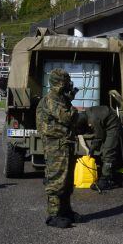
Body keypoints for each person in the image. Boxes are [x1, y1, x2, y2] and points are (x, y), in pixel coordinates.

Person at [39, 68, 80, 228]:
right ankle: (53, 215)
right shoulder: (52, 99)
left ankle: (65, 211)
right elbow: (68, 117)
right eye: (66, 82)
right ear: (59, 83)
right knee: (56, 180)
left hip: (65, 143)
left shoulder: (61, 98)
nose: (68, 85)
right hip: (55, 145)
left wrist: (68, 100)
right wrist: (73, 109)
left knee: (68, 181)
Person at [82, 104, 122, 190]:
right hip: (105, 123)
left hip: (113, 125)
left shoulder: (93, 119)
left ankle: (105, 180)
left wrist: (93, 147)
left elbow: (99, 136)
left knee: (108, 151)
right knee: (104, 151)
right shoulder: (86, 113)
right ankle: (111, 176)